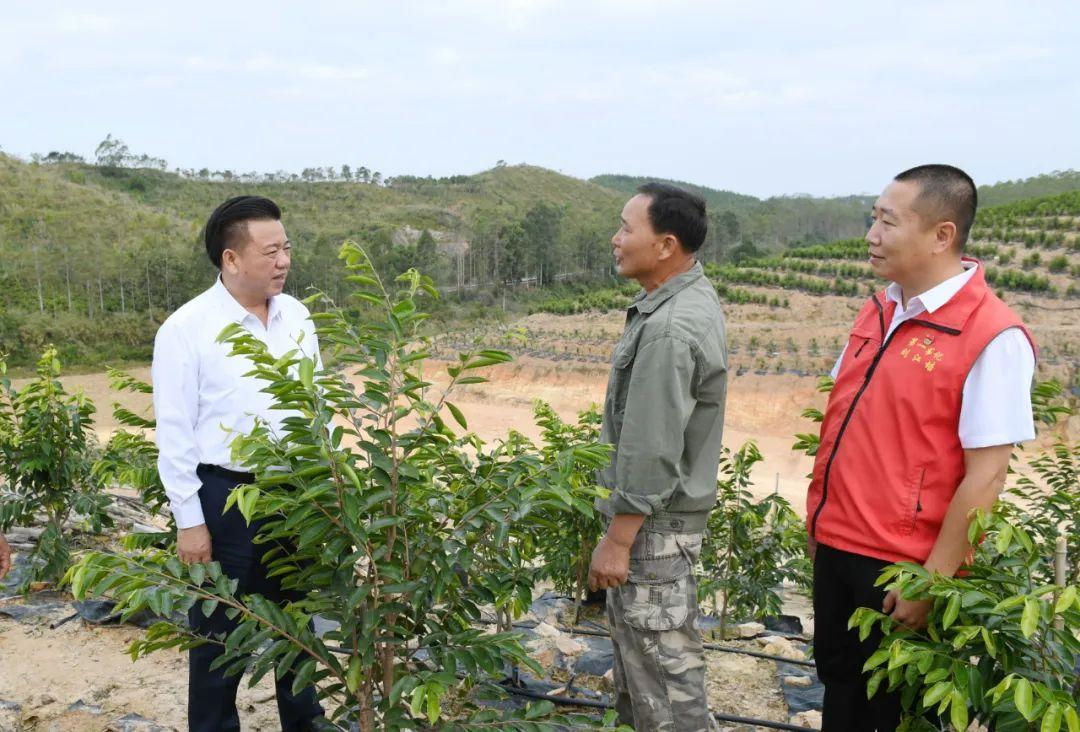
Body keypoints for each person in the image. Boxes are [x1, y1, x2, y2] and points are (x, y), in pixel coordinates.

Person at [807, 165, 1036, 731]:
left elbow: (986, 478)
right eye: (873, 218)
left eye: (888, 221)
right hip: (838, 543)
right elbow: (846, 423)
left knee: (889, 710)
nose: (871, 234)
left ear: (942, 234)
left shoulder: (993, 335)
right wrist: (818, 525)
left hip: (900, 566)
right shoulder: (879, 309)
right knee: (840, 688)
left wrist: (932, 582)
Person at [152, 196, 325, 732]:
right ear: (231, 259)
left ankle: (306, 722)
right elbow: (176, 434)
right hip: (224, 497)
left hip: (296, 494)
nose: (284, 261)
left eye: (287, 248)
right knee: (218, 633)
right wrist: (190, 521)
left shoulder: (297, 316)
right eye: (271, 251)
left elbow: (314, 404)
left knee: (298, 625)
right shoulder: (187, 329)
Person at [587, 182, 728, 732]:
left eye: (627, 228)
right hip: (657, 524)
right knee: (643, 671)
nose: (616, 239)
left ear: (666, 245)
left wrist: (618, 540)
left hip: (652, 529)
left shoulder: (670, 327)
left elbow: (651, 448)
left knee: (665, 685)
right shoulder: (679, 301)